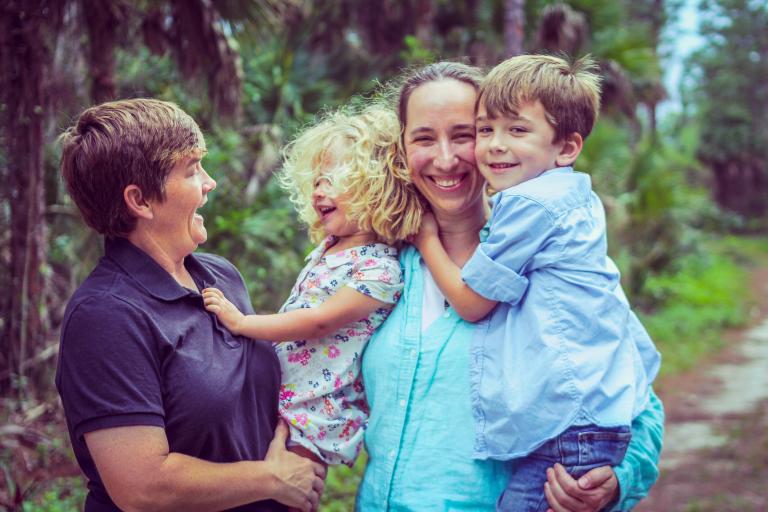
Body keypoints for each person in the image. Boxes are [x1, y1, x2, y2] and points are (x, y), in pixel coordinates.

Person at [357, 62, 665, 511]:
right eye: (424, 138)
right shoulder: (375, 270)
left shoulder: (559, 272)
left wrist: (615, 482)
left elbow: (639, 408)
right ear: (402, 148)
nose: (445, 158)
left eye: (463, 135)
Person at [56, 98, 325, 512]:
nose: (209, 182)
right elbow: (142, 487)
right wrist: (272, 479)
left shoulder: (220, 275)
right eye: (192, 169)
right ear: (140, 201)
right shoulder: (104, 315)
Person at [202, 105, 422, 469]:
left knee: (293, 488)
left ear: (377, 188)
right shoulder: (329, 248)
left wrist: (242, 323)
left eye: (335, 179)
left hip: (319, 413)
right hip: (286, 398)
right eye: (318, 179)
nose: (321, 190)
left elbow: (319, 320)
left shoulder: (380, 269)